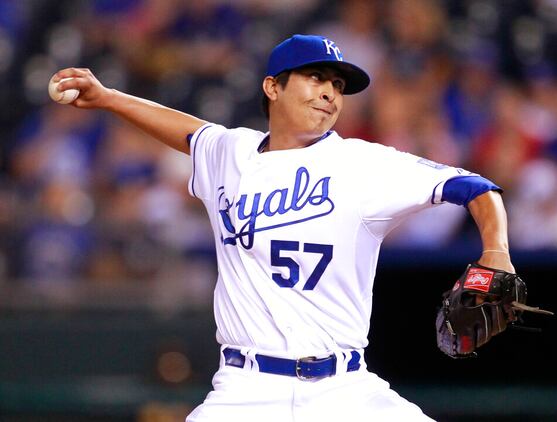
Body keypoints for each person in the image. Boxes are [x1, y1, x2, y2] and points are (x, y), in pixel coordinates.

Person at [52, 34, 515, 422]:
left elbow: (475, 187)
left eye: (337, 84)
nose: (330, 92)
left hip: (345, 390)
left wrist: (496, 252)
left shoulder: (364, 163)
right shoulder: (230, 153)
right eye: (315, 78)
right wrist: (110, 98)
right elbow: (188, 133)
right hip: (244, 390)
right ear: (273, 87)